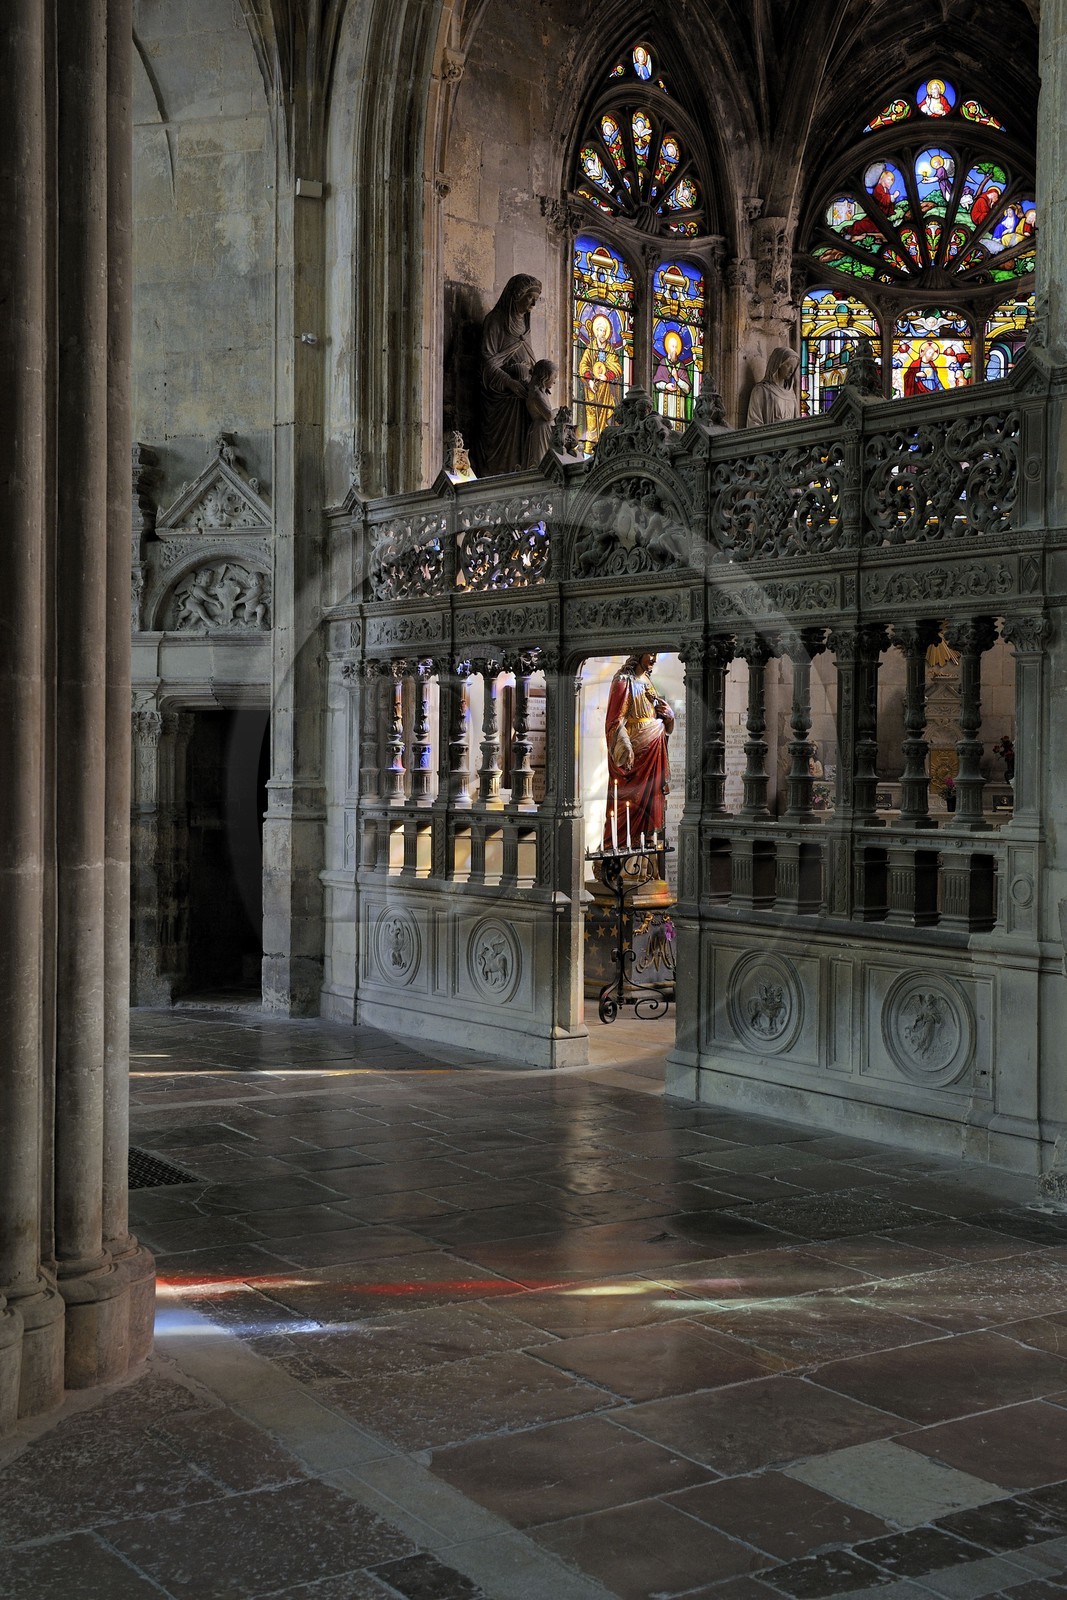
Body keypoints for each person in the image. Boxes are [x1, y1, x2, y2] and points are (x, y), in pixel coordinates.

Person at [603, 652, 674, 852]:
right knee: (629, 803)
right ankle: (622, 853)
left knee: (650, 803)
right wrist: (625, 746)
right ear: (639, 653)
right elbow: (614, 721)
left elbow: (659, 714)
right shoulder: (623, 681)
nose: (654, 659)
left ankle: (645, 855)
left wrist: (669, 717)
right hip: (635, 754)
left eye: (656, 654)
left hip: (654, 751)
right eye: (651, 654)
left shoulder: (648, 682)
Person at [480, 273, 542, 475]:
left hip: (523, 398)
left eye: (536, 298)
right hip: (502, 401)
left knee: (523, 453)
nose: (534, 302)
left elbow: (529, 360)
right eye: (530, 297)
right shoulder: (496, 321)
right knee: (502, 457)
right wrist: (509, 381)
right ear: (517, 295)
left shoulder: (526, 327)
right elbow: (487, 364)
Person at [578, 312, 625, 442]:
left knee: (609, 414)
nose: (602, 333)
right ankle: (591, 447)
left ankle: (608, 443)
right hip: (592, 391)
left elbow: (617, 367)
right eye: (600, 330)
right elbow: (583, 365)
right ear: (595, 332)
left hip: (607, 390)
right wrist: (589, 380)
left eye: (604, 331)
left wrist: (607, 376)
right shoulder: (590, 348)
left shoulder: (610, 350)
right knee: (592, 421)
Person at [746, 346, 800, 426]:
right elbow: (754, 422)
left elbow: (797, 423)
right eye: (788, 365)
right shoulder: (762, 390)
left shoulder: (791, 394)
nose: (791, 371)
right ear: (778, 364)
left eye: (794, 367)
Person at [523, 359, 556, 467]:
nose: (554, 381)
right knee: (540, 463)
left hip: (546, 429)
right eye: (554, 377)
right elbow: (548, 415)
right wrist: (559, 411)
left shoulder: (542, 392)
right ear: (546, 376)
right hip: (541, 430)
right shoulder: (536, 394)